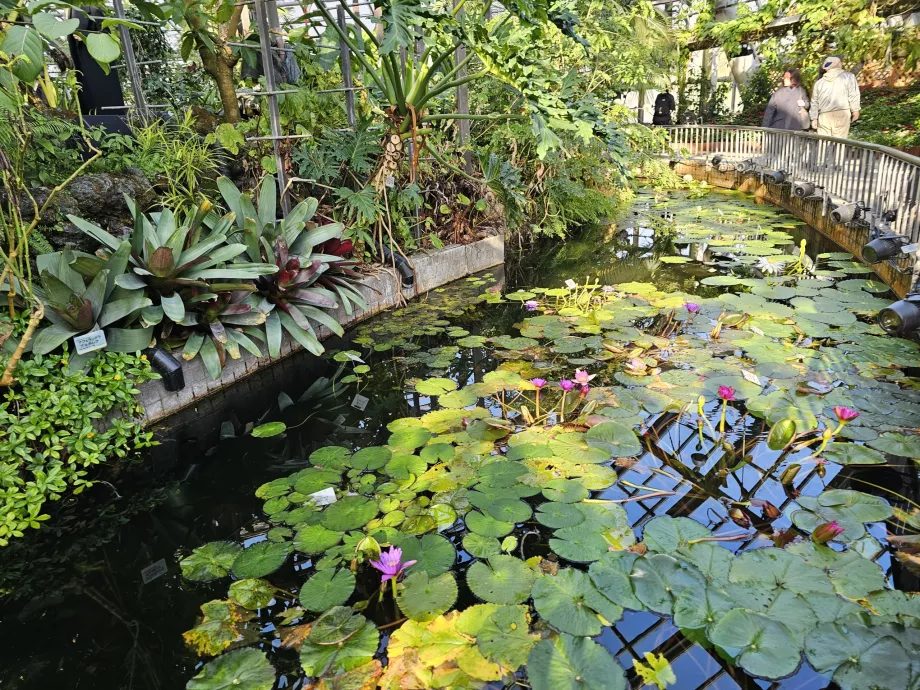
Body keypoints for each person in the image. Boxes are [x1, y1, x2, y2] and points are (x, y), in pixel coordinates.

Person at [809, 56, 861, 138]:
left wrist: (814, 118)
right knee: (839, 144)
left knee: (823, 144)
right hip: (842, 114)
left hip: (824, 116)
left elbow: (814, 102)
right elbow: (853, 94)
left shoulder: (819, 83)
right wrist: (855, 110)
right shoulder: (848, 77)